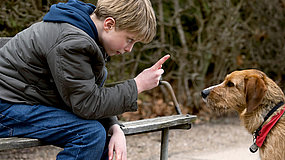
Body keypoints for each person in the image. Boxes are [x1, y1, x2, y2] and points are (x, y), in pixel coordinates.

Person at [0, 0, 170, 159]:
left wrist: (114, 127)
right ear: (109, 24)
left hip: (20, 101)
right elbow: (87, 104)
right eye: (130, 40)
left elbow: (88, 94)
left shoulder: (85, 33)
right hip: (6, 104)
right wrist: (137, 85)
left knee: (103, 139)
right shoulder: (72, 43)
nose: (129, 49)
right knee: (89, 134)